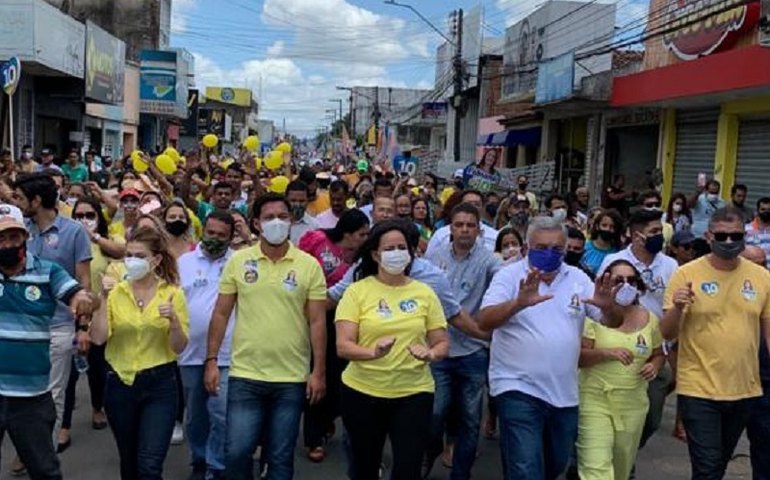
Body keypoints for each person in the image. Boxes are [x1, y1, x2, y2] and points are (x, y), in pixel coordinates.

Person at [205, 193, 327, 480]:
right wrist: (211, 360)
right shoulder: (239, 262)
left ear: (291, 220)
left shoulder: (308, 265)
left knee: (280, 457)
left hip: (291, 378)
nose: (276, 223)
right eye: (269, 217)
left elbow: (318, 321)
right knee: (236, 452)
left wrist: (318, 371)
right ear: (256, 224)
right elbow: (221, 314)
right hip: (246, 375)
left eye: (283, 217)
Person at [478, 216, 606, 480]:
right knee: (525, 468)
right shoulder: (509, 276)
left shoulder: (578, 278)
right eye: (541, 248)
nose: (550, 254)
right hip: (517, 386)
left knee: (555, 463)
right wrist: (518, 303)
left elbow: (610, 319)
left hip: (563, 393)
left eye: (557, 249)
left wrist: (610, 305)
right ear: (527, 247)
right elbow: (485, 321)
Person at [662, 206, 770, 480]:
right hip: (699, 389)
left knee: (718, 464)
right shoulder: (686, 274)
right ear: (709, 236)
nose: (729, 242)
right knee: (708, 467)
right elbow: (666, 332)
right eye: (721, 237)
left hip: (744, 389)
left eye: (736, 235)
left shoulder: (761, 277)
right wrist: (676, 307)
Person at [335, 220, 449, 480]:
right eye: (389, 248)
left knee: (408, 468)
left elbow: (442, 342)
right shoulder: (356, 292)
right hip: (362, 392)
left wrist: (431, 354)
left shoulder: (425, 293)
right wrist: (372, 353)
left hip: (413, 392)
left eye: (402, 247)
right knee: (365, 465)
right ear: (375, 254)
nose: (396, 253)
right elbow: (343, 345)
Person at [0, 203, 94, 480]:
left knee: (45, 470)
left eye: (13, 237)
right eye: (1, 238)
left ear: (25, 237)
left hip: (31, 396)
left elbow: (75, 292)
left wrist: (82, 301)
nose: (6, 244)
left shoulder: (48, 271)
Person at [91, 226, 190, 480]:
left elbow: (179, 347)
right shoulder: (115, 294)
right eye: (129, 255)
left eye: (140, 256)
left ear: (156, 260)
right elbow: (99, 337)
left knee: (149, 464)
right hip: (120, 384)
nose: (133, 261)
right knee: (130, 460)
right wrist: (101, 300)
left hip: (160, 385)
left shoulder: (172, 294)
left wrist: (175, 323)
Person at [423, 203, 501, 480]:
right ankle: (428, 455)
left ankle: (461, 474)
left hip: (472, 352)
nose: (464, 230)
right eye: (459, 225)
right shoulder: (436, 254)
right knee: (434, 415)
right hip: (438, 350)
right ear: (450, 228)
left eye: (470, 225)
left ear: (479, 230)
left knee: (469, 421)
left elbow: (506, 280)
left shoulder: (490, 260)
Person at [577, 259, 665, 480]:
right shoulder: (595, 316)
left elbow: (659, 354)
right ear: (606, 282)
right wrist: (607, 353)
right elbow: (579, 358)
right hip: (595, 400)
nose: (625, 285)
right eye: (618, 280)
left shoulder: (650, 319)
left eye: (631, 280)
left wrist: (654, 366)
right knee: (596, 469)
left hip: (632, 405)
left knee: (620, 470)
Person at [298, 209, 369, 462]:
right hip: (318, 317)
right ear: (347, 233)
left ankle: (329, 418)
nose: (365, 238)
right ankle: (313, 437)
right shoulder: (317, 241)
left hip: (349, 320)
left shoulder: (364, 259)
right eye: (361, 234)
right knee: (318, 373)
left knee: (341, 377)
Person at [60, 197, 125, 448]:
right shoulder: (67, 241)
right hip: (68, 313)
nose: (83, 219)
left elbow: (123, 252)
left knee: (98, 369)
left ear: (98, 217)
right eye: (78, 215)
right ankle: (64, 425)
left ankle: (98, 407)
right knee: (70, 373)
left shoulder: (107, 243)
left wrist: (95, 236)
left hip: (101, 315)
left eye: (89, 214)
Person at [178, 211, 237, 480]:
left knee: (221, 413)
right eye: (210, 233)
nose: (214, 238)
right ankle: (199, 460)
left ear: (231, 238)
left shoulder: (238, 262)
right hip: (190, 353)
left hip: (226, 352)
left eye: (221, 235)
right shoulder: (184, 262)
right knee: (196, 416)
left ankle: (217, 465)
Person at [740, 245, 770, 480]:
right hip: (729, 384)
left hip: (765, 384)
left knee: (765, 450)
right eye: (754, 264)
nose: (761, 269)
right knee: (713, 457)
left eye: (764, 263)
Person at [426, 190, 498, 254]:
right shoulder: (442, 234)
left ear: (482, 208)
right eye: (468, 203)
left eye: (477, 204)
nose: (472, 207)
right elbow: (429, 258)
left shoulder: (494, 236)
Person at [582, 209, 622, 275]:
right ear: (597, 226)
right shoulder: (585, 247)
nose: (607, 229)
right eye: (604, 225)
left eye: (612, 227)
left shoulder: (618, 252)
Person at [286, 180, 319, 244]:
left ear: (308, 201)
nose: (297, 205)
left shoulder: (314, 226)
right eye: (293, 200)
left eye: (302, 201)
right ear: (286, 199)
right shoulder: (277, 223)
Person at [745, 196, 770, 269]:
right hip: (754, 273)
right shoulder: (746, 229)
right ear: (757, 211)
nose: (766, 212)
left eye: (769, 210)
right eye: (763, 209)